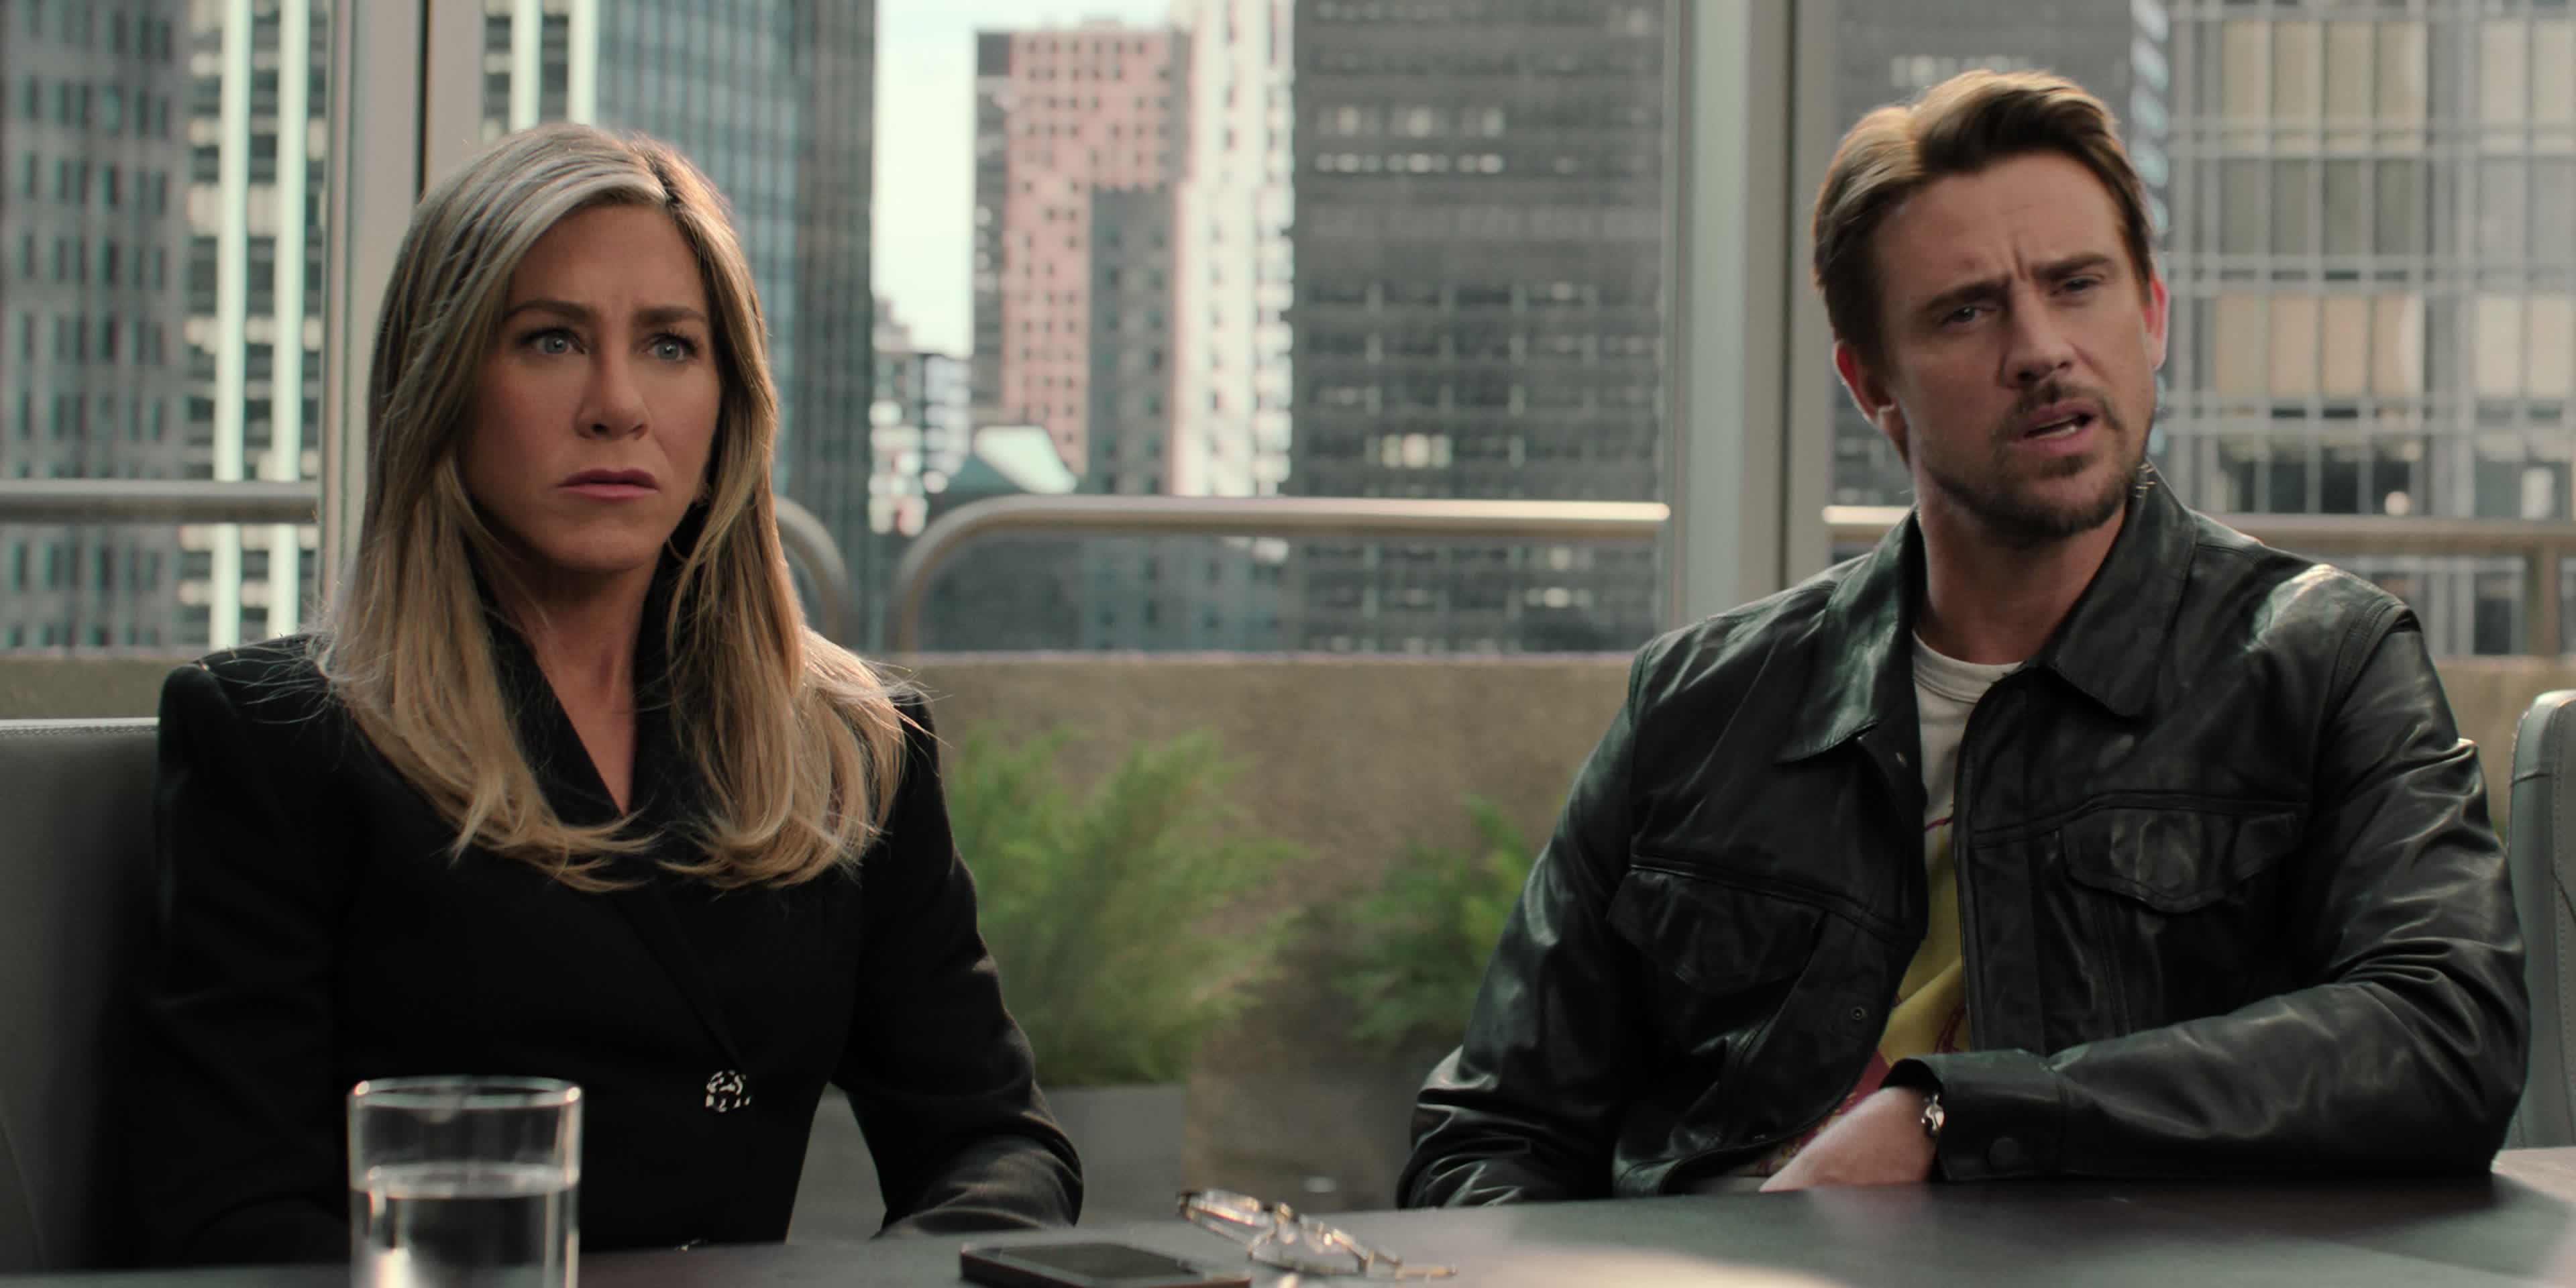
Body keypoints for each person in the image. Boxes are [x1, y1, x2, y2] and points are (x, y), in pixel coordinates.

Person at [1403, 69, 2528, 1203]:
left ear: (2152, 315)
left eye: (2077, 285)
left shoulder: (2323, 659)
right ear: (1871, 385)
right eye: (1967, 311)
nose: (2041, 349)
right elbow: (1488, 1134)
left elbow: (2447, 1033)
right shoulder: (1699, 706)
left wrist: (1963, 1116)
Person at [130, 124, 1079, 1263]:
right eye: (551, 340)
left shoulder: (852, 745)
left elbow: (997, 1145)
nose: (618, 405)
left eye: (671, 345)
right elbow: (230, 1221)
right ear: (440, 385)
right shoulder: (278, 742)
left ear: (729, 403)